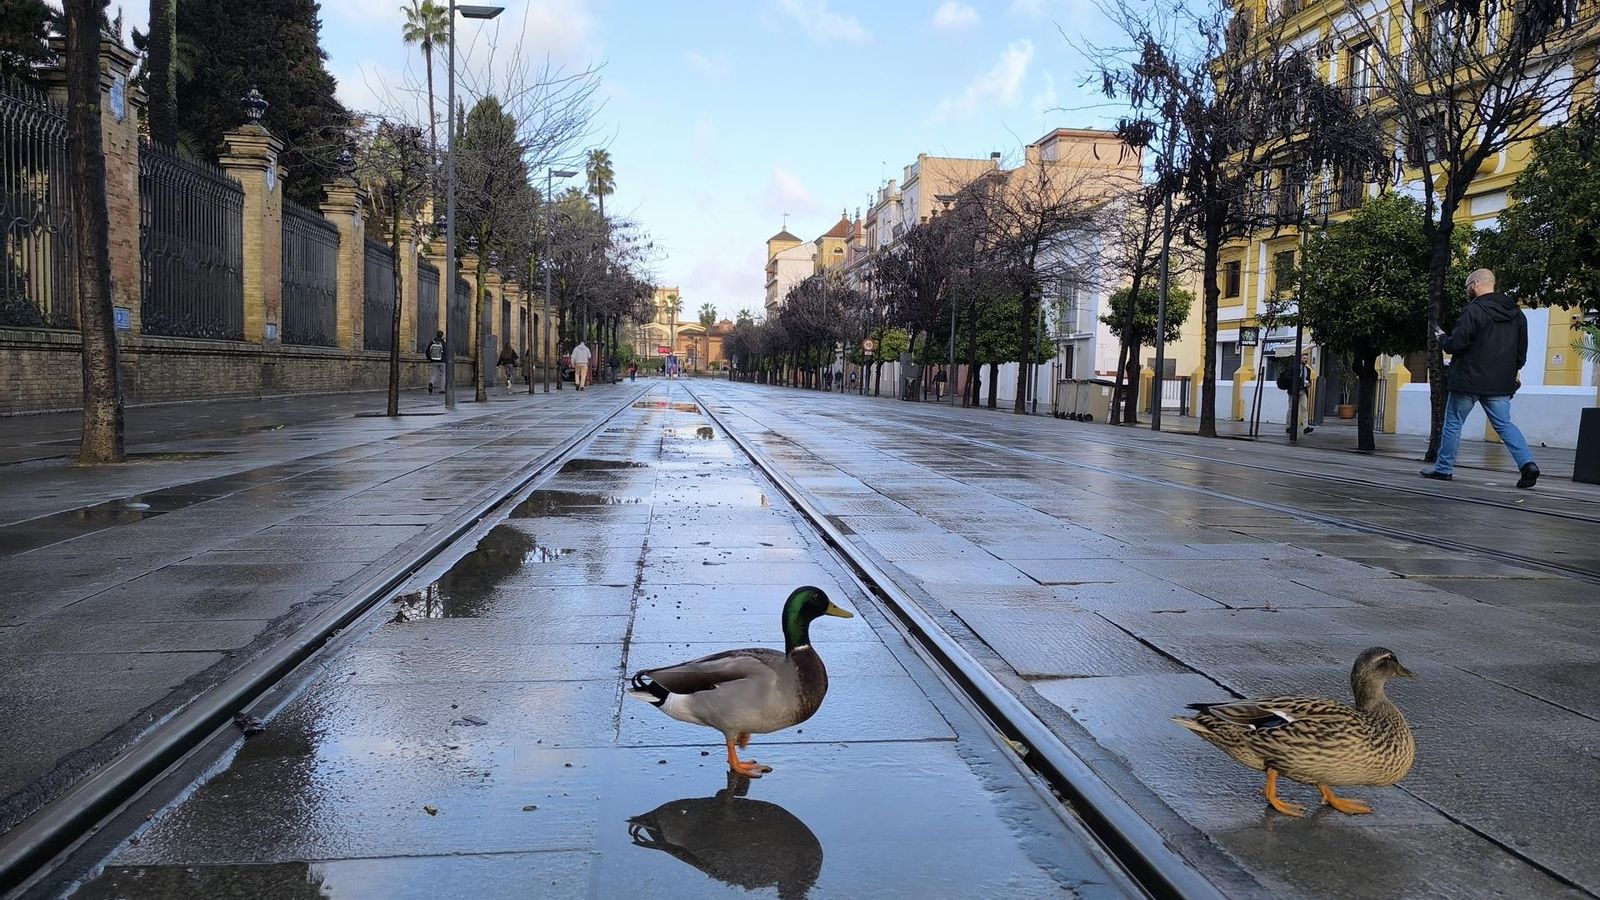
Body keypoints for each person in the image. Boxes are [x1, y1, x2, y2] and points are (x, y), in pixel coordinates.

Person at [1420, 268, 1539, 488]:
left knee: (1454, 423)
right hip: (1500, 382)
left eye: (1467, 287)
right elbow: (1522, 352)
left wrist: (1443, 338)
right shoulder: (1517, 314)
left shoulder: (1473, 310)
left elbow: (1458, 343)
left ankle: (1444, 469)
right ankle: (1528, 465)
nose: (1467, 291)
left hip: (1468, 379)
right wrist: (1509, 372)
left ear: (1475, 284)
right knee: (1504, 424)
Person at [1278, 354, 1314, 435]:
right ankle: (1289, 426)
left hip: (1303, 390)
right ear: (1300, 359)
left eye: (1307, 358)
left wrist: (1309, 384)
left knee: (1304, 408)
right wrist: (1298, 380)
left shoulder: (1308, 370)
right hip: (1293, 391)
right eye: (1304, 358)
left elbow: (1308, 380)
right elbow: (1287, 377)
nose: (1306, 360)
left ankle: (1306, 427)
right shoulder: (1293, 368)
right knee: (1291, 408)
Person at [426, 330, 445, 395]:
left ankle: (431, 383)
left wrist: (429, 359)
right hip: (442, 361)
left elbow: (427, 350)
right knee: (443, 375)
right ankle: (442, 389)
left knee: (434, 374)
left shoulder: (432, 342)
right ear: (442, 335)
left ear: (436, 334)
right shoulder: (443, 343)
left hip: (433, 360)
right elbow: (446, 352)